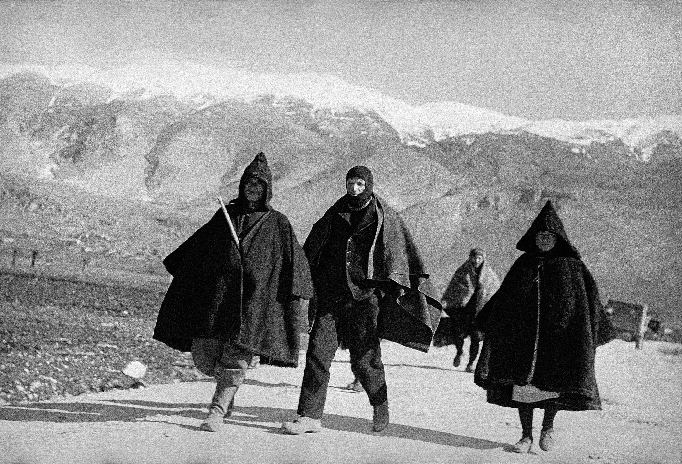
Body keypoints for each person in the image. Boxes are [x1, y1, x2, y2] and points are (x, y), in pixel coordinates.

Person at [153, 152, 314, 432]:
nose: (253, 189)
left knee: (236, 357)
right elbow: (199, 250)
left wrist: (299, 291)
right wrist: (183, 267)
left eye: (259, 185)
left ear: (267, 189)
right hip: (220, 300)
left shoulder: (278, 223)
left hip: (254, 304)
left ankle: (216, 410)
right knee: (204, 358)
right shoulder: (225, 215)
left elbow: (294, 261)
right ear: (242, 186)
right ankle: (229, 390)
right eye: (249, 183)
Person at [281, 166, 442, 434]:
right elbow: (313, 248)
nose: (354, 188)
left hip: (365, 300)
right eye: (350, 183)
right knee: (317, 354)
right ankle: (309, 416)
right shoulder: (334, 213)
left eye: (359, 183)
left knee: (365, 360)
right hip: (331, 298)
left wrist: (386, 290)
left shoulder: (384, 216)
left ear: (368, 185)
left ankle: (381, 406)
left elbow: (398, 254)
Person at [474, 201, 614, 453]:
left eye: (549, 236)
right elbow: (504, 298)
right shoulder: (523, 265)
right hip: (524, 342)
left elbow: (588, 301)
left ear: (558, 238)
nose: (544, 240)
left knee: (553, 387)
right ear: (533, 238)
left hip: (558, 341)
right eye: (540, 236)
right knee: (523, 390)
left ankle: (548, 429)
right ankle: (526, 436)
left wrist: (592, 331)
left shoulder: (572, 266)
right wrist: (486, 322)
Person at [441, 248, 501, 373]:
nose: (476, 260)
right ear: (470, 258)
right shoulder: (462, 272)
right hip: (463, 310)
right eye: (474, 257)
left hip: (480, 311)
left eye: (479, 258)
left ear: (483, 259)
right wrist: (449, 301)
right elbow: (453, 287)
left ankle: (471, 363)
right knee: (458, 333)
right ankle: (459, 352)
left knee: (476, 337)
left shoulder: (489, 275)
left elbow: (494, 290)